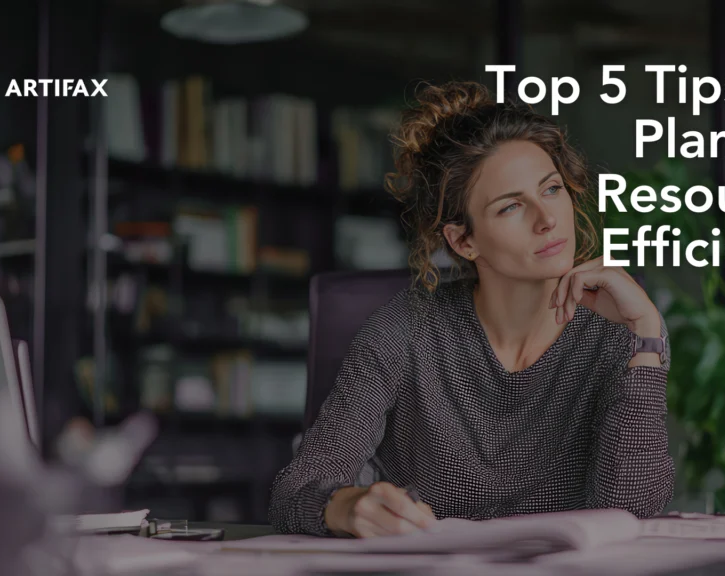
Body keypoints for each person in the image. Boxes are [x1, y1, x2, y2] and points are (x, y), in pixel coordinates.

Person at [268, 80, 674, 538]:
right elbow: (293, 492)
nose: (547, 219)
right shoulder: (404, 330)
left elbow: (630, 512)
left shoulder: (620, 333)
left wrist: (646, 333)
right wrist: (345, 507)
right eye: (510, 207)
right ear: (463, 240)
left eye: (551, 189)